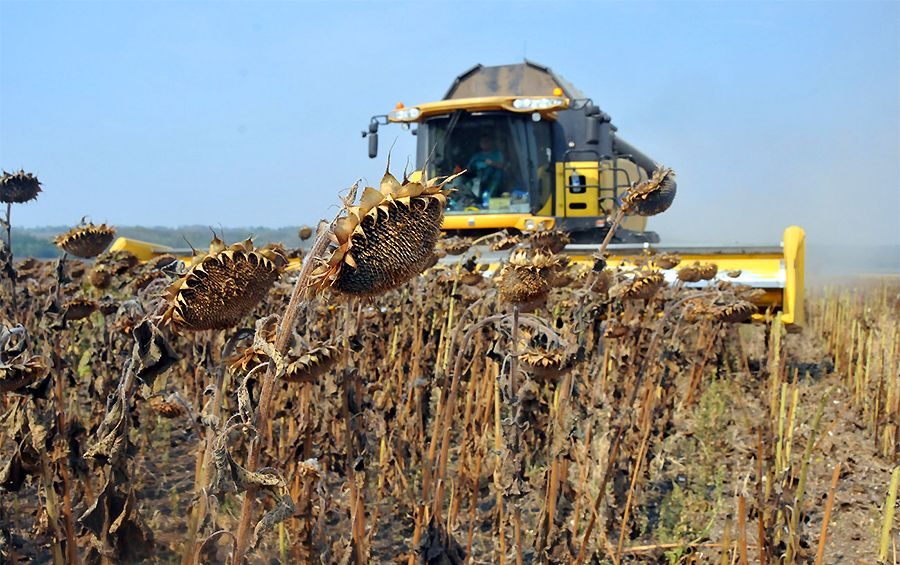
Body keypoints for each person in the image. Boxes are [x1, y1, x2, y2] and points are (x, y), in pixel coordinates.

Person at [466, 134, 504, 200]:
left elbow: (503, 166)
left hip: (494, 183)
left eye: (487, 141)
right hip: (478, 183)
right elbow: (468, 169)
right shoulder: (476, 156)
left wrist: (492, 163)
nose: (484, 143)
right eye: (482, 142)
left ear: (491, 142)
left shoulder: (497, 154)